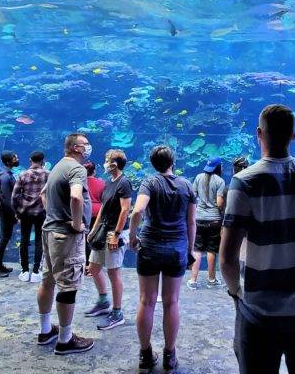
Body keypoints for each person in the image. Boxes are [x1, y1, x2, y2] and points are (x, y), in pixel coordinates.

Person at [220, 104, 295, 374]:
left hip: (260, 313)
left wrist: (235, 291)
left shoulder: (244, 182)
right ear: (293, 136)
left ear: (259, 134)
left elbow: (227, 257)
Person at [127, 145, 195, 373]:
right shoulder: (187, 185)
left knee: (146, 300)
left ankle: (146, 355)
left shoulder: (149, 182)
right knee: (171, 301)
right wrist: (189, 250)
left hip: (150, 247)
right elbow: (191, 223)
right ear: (172, 162)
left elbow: (137, 212)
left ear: (153, 163)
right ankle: (170, 355)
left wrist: (133, 238)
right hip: (177, 248)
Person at [35, 133, 95, 355]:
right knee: (68, 286)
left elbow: (43, 195)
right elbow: (77, 197)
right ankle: (65, 339)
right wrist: (77, 223)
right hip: (66, 236)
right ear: (77, 148)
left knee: (48, 280)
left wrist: (54, 214)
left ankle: (45, 331)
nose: (88, 146)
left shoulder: (59, 166)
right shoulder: (77, 169)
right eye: (85, 143)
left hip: (50, 231)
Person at [84, 149, 132, 330]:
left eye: (107, 160)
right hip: (103, 231)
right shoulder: (108, 183)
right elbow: (103, 208)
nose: (104, 162)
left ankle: (117, 312)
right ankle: (103, 302)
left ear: (115, 163)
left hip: (115, 233)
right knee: (94, 268)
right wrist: (93, 230)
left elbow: (125, 210)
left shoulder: (124, 183)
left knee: (113, 272)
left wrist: (117, 234)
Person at [188, 156, 226, 290]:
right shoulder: (220, 181)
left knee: (197, 249)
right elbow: (220, 202)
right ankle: (211, 279)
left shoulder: (198, 177)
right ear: (218, 167)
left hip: (199, 218)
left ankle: (193, 280)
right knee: (211, 250)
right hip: (214, 219)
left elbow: (193, 196)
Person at [13, 151, 48, 283]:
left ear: (30, 160)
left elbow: (15, 195)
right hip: (42, 213)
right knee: (40, 240)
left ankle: (25, 270)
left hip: (26, 212)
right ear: (43, 161)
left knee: (24, 240)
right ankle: (36, 271)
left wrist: (17, 212)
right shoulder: (48, 174)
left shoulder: (22, 174)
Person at [0, 150, 19, 278]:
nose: (17, 158)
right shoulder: (6, 177)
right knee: (4, 238)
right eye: (14, 157)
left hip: (4, 211)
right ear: (8, 161)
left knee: (5, 237)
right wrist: (14, 214)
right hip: (6, 212)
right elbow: (7, 199)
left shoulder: (3, 173)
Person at [84, 160, 104, 262]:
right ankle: (93, 263)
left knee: (83, 237)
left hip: (83, 211)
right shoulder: (101, 183)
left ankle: (85, 262)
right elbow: (103, 199)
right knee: (94, 237)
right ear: (94, 171)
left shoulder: (80, 182)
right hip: (97, 213)